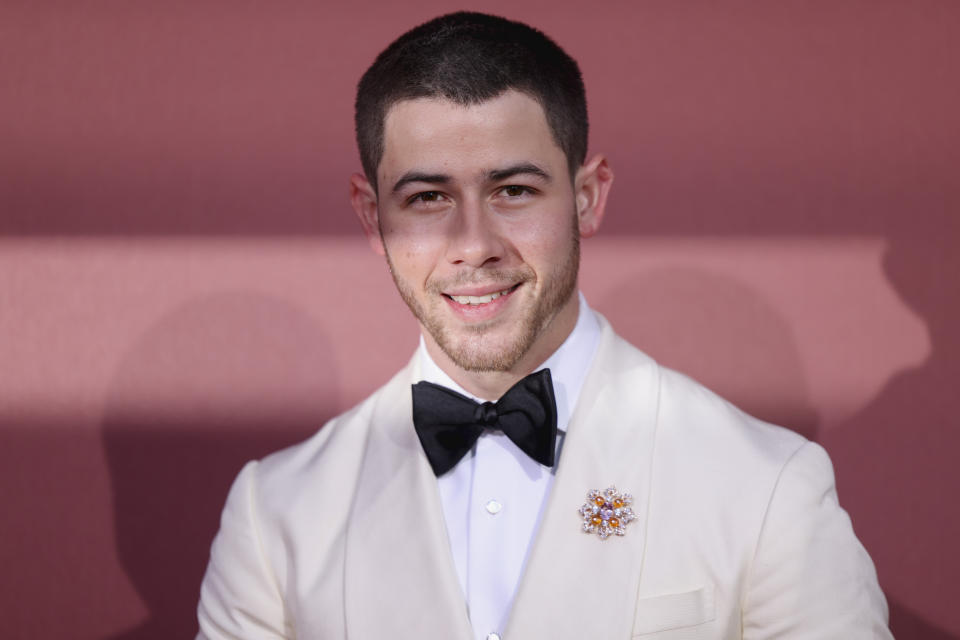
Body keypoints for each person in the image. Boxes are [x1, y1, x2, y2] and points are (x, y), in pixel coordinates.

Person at [197, 12, 891, 639]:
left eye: (514, 191)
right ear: (371, 215)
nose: (474, 244)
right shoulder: (276, 515)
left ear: (587, 198)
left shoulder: (767, 486)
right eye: (428, 197)